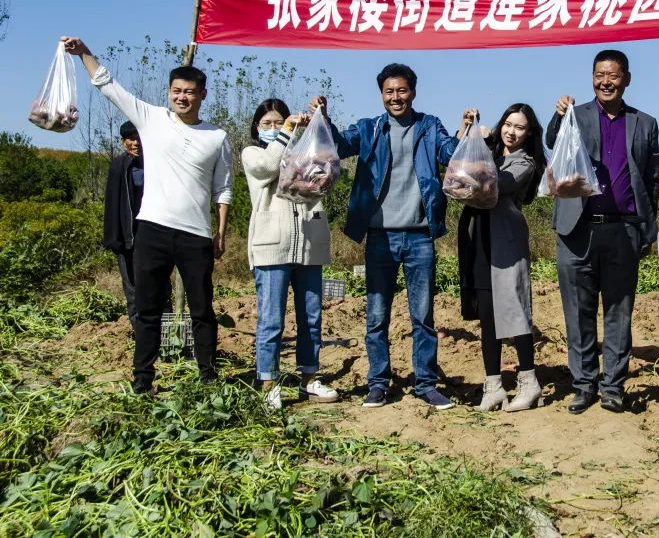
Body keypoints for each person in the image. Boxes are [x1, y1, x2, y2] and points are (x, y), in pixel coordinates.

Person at [62, 37, 232, 394]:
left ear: (203, 94)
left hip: (196, 235)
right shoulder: (151, 118)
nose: (181, 97)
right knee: (148, 308)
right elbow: (109, 86)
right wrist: (85, 54)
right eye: (176, 90)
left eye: (189, 91)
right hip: (152, 230)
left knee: (202, 309)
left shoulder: (217, 137)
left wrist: (220, 233)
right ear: (169, 92)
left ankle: (207, 378)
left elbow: (223, 189)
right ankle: (143, 380)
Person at [311, 64, 473, 411]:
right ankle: (378, 383)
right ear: (381, 94)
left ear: (412, 92)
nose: (396, 97)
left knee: (423, 315)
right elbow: (338, 146)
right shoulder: (369, 129)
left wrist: (466, 131)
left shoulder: (428, 126)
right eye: (389, 91)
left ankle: (426, 383)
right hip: (380, 237)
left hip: (418, 237)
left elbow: (450, 154)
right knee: (377, 314)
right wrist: (322, 119)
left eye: (401, 91)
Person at [547, 49, 659, 415]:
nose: (605, 81)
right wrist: (558, 115)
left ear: (626, 79)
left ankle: (612, 385)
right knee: (577, 313)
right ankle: (583, 385)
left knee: (618, 312)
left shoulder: (645, 123)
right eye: (599, 74)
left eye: (613, 75)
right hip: (576, 229)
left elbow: (653, 180)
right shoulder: (576, 115)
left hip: (622, 230)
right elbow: (553, 142)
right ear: (592, 77)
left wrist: (646, 227)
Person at [241, 99, 338, 410]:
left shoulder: (303, 156)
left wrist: (318, 121)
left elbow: (329, 172)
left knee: (311, 317)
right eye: (267, 124)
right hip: (272, 248)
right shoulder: (253, 153)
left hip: (308, 245)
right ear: (257, 128)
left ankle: (309, 378)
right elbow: (269, 168)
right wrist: (284, 133)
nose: (273, 128)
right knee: (271, 320)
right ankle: (268, 381)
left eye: (279, 122)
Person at [459, 104, 547, 412]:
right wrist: (469, 135)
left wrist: (478, 146)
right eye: (508, 124)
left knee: (515, 311)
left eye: (519, 127)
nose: (511, 131)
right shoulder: (491, 154)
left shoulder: (526, 162)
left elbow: (498, 184)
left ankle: (529, 382)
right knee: (488, 319)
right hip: (479, 241)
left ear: (529, 133)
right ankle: (493, 386)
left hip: (506, 243)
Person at [102, 121, 169, 327]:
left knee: (160, 286)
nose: (136, 143)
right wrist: (113, 238)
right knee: (133, 289)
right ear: (124, 142)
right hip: (128, 237)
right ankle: (141, 335)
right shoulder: (118, 166)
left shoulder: (157, 164)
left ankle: (167, 336)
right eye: (131, 139)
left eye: (139, 138)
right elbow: (112, 204)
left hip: (155, 236)